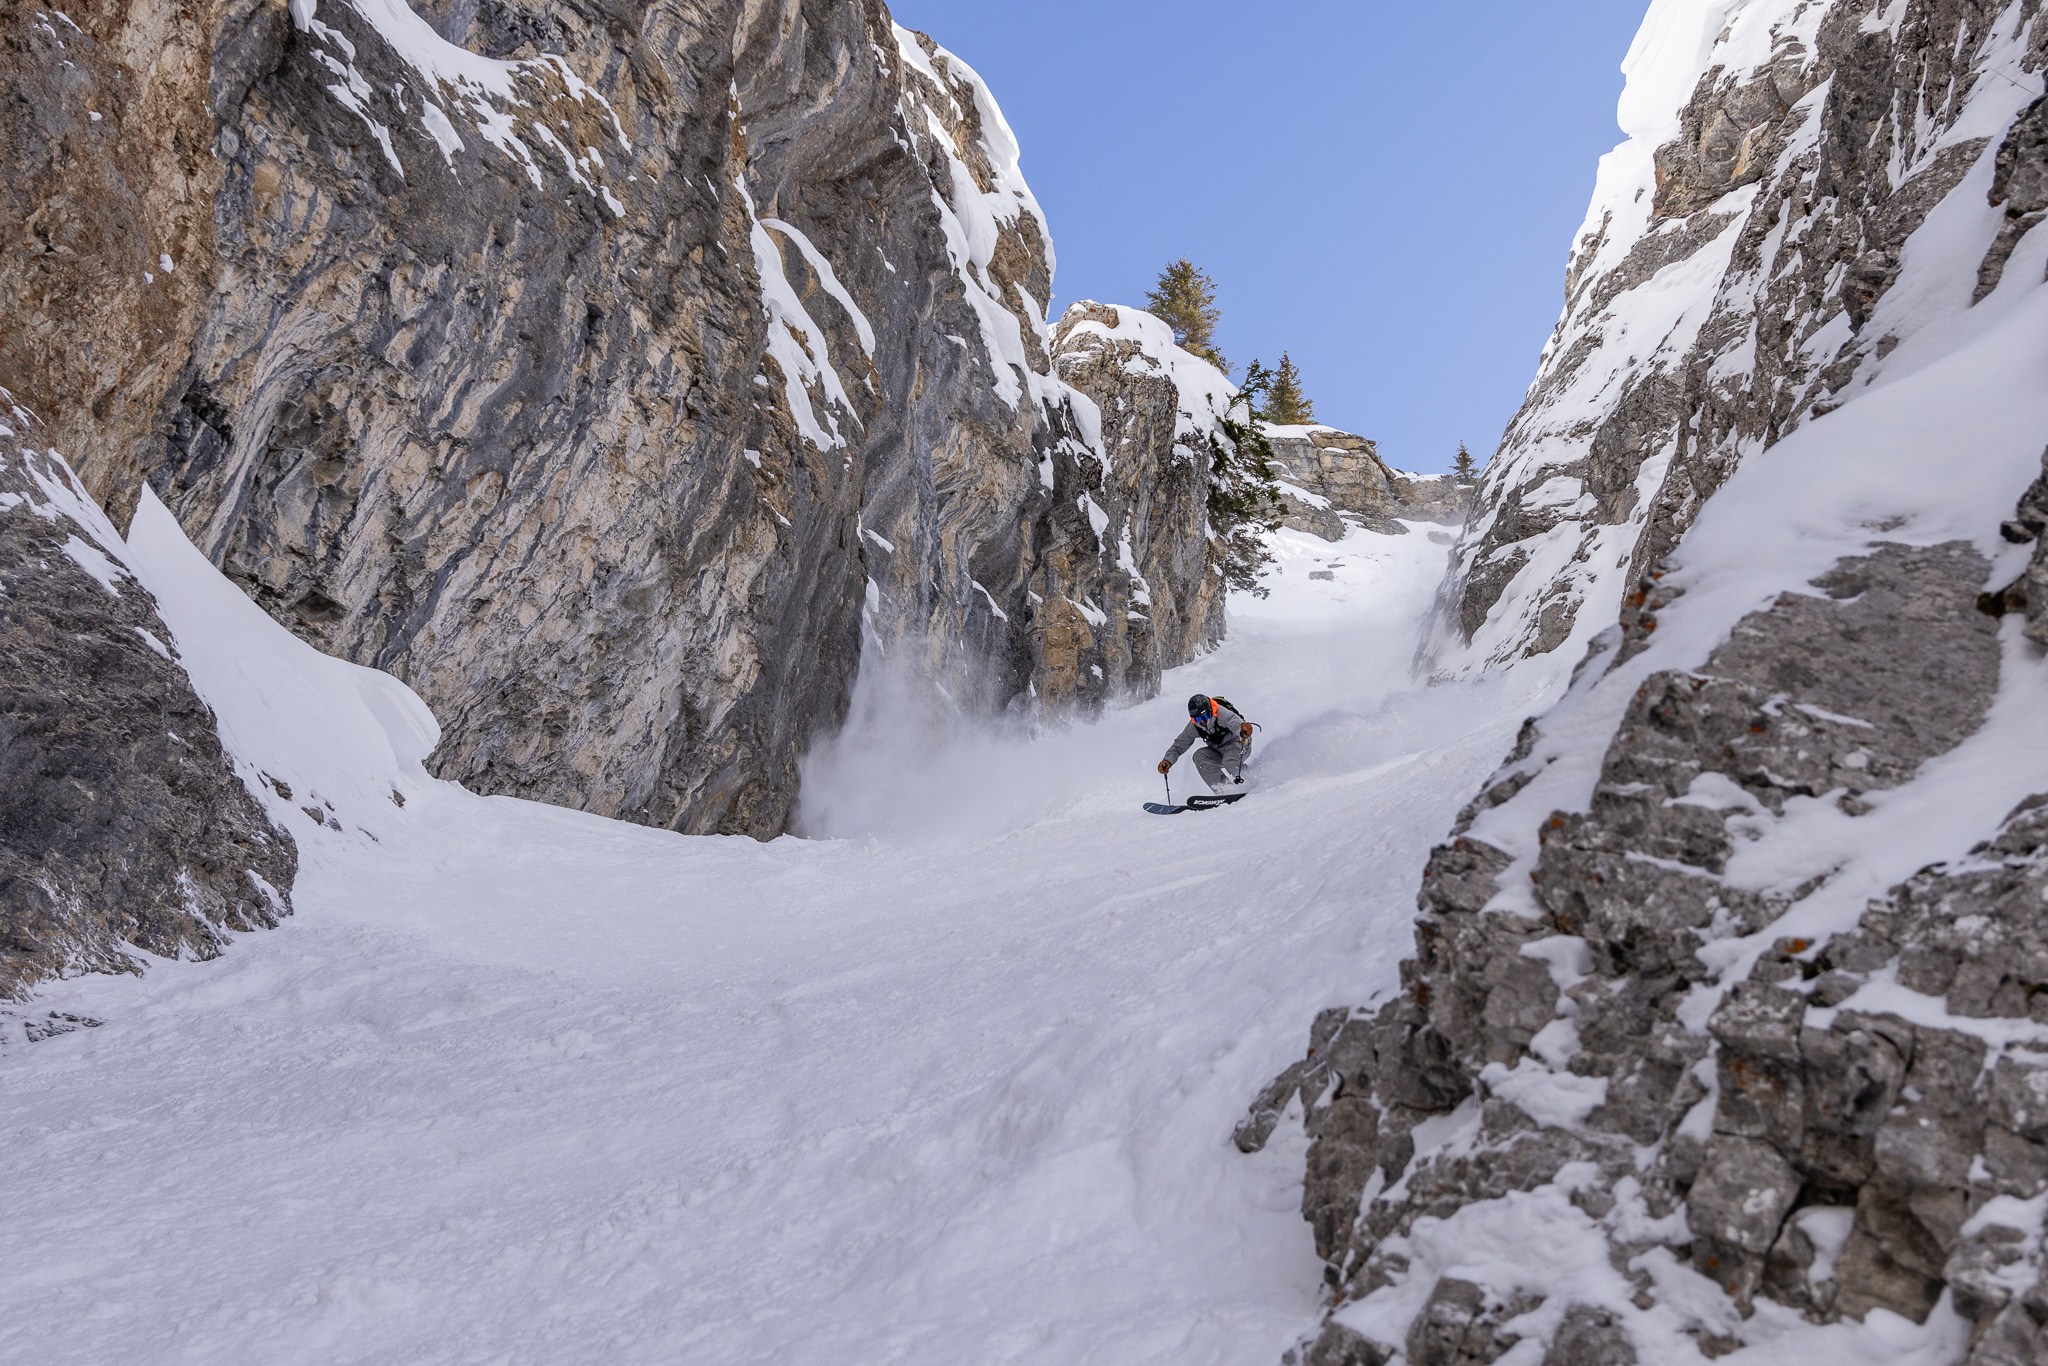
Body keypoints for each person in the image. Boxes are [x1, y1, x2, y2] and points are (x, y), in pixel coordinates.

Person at [1159, 693, 1252, 793]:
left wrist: (1243, 729)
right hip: (1219, 751)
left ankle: (1249, 783)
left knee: (1229, 761)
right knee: (1199, 756)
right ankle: (1224, 790)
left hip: (1238, 744)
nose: (1202, 721)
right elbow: (1179, 745)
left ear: (1210, 711)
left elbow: (1234, 721)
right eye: (1198, 719)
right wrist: (1168, 760)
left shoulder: (1221, 713)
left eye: (1204, 717)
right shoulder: (1194, 726)